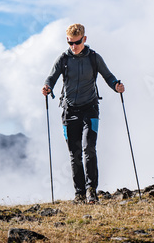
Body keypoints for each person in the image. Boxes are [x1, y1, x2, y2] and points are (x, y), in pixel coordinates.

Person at [42, 23, 125, 204]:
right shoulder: (63, 59)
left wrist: (116, 86)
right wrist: (47, 87)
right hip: (69, 110)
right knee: (75, 154)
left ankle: (91, 192)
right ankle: (79, 194)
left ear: (84, 39)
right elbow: (52, 77)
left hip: (90, 109)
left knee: (89, 149)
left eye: (77, 42)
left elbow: (108, 76)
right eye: (70, 43)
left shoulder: (94, 58)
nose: (73, 46)